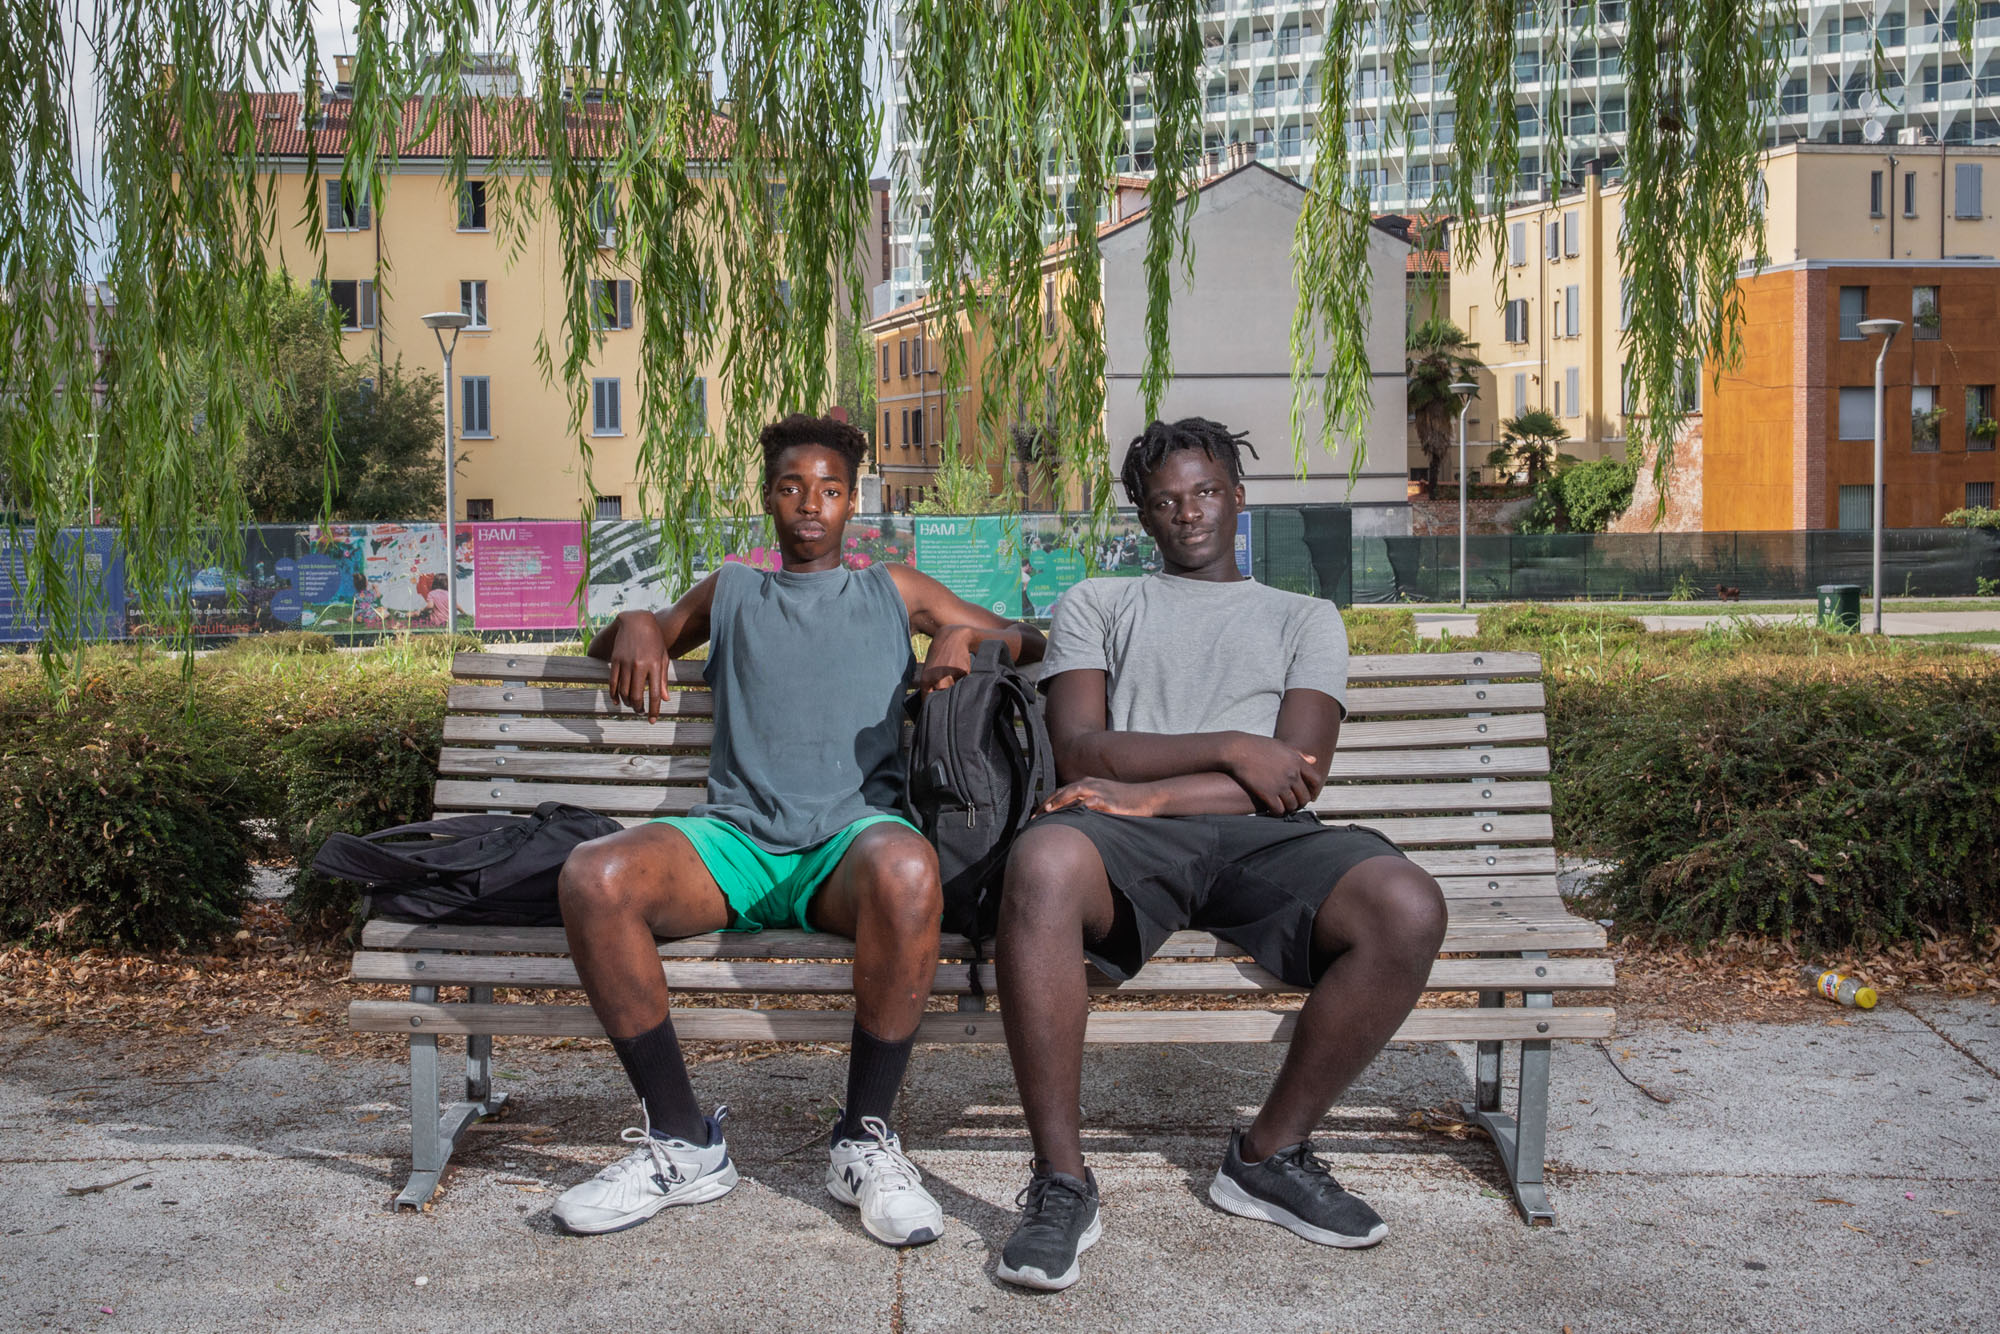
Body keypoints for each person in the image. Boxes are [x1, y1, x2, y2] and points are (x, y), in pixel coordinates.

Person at [551, 413, 1045, 1245]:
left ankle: (862, 1142)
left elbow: (1030, 640)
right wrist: (637, 621)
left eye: (828, 490)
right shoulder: (733, 589)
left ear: (854, 502)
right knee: (593, 876)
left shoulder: (895, 589)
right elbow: (635, 640)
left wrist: (962, 634)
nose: (809, 504)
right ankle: (682, 1141)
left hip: (849, 846)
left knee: (909, 869)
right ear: (770, 500)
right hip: (735, 844)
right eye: (791, 488)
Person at [992, 418, 1447, 1291]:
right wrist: (1238, 746)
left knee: (1407, 903)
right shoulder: (1099, 603)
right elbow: (1084, 751)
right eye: (1165, 501)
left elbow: (1292, 781)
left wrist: (1161, 786)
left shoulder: (1304, 617)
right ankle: (1060, 1184)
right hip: (1119, 837)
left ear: (1237, 498)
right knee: (1044, 862)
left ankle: (1268, 1155)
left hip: (1256, 838)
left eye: (1205, 493)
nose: (1188, 514)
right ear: (1143, 515)